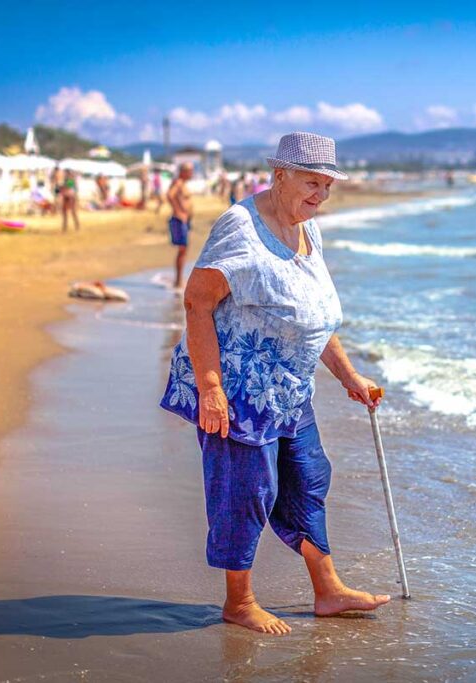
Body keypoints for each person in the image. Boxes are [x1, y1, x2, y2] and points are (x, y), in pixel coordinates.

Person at [160, 132, 389, 636]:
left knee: (309, 478)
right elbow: (198, 302)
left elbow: (312, 318)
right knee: (247, 491)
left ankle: (327, 590)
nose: (321, 195)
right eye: (312, 183)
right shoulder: (240, 228)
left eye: (328, 186)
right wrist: (211, 388)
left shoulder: (308, 229)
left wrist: (349, 375)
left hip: (291, 389)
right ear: (279, 174)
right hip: (239, 391)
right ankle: (238, 602)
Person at [167, 163, 194, 289]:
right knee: (182, 249)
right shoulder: (178, 183)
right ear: (183, 172)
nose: (192, 173)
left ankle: (178, 279)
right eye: (190, 171)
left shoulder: (182, 183)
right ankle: (177, 281)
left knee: (184, 250)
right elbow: (169, 195)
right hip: (179, 220)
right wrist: (178, 212)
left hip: (185, 220)